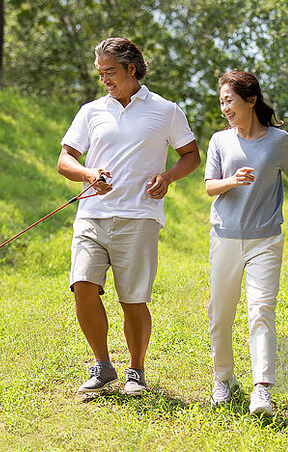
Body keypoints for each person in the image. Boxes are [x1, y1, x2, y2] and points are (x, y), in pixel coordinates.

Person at [57, 37, 200, 396]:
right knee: (83, 288)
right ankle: (103, 365)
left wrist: (168, 177)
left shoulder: (166, 111)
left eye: (110, 72)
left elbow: (191, 155)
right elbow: (65, 160)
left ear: (131, 69)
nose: (104, 79)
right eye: (100, 72)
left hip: (139, 216)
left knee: (133, 300)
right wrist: (88, 174)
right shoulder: (91, 111)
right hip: (92, 214)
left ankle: (136, 370)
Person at [204, 70, 288, 415]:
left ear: (250, 99)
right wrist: (231, 181)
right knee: (220, 313)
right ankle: (223, 380)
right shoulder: (220, 141)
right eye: (221, 102)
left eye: (229, 100)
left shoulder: (278, 141)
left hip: (266, 240)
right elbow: (209, 187)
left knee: (261, 310)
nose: (224, 108)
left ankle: (262, 388)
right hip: (225, 238)